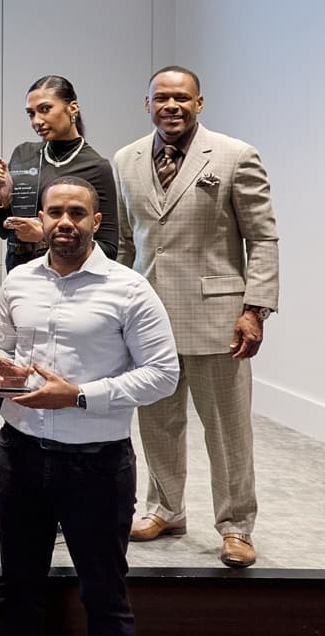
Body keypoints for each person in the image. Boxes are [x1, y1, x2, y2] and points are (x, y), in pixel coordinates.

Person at [0, 176, 178, 636]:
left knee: (104, 597)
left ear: (95, 221)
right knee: (18, 593)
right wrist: (0, 368)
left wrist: (78, 395)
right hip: (20, 456)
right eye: (55, 213)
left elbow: (163, 374)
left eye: (76, 213)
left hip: (96, 465)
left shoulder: (130, 289)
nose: (65, 222)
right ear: (41, 219)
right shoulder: (18, 281)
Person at [113, 67, 279, 569]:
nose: (171, 106)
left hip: (218, 320)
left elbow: (263, 238)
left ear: (199, 103)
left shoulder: (235, 155)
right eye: (161, 97)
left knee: (227, 430)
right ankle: (166, 508)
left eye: (181, 97)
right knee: (158, 423)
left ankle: (236, 526)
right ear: (147, 104)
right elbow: (126, 242)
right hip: (148, 320)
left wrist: (255, 309)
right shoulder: (127, 159)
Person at [0, 75, 117, 271]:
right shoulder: (23, 153)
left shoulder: (96, 167)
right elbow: (5, 232)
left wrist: (45, 235)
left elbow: (109, 249)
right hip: (22, 276)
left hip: (72, 280)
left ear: (72, 108)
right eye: (31, 114)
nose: (36, 121)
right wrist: (5, 200)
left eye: (45, 109)